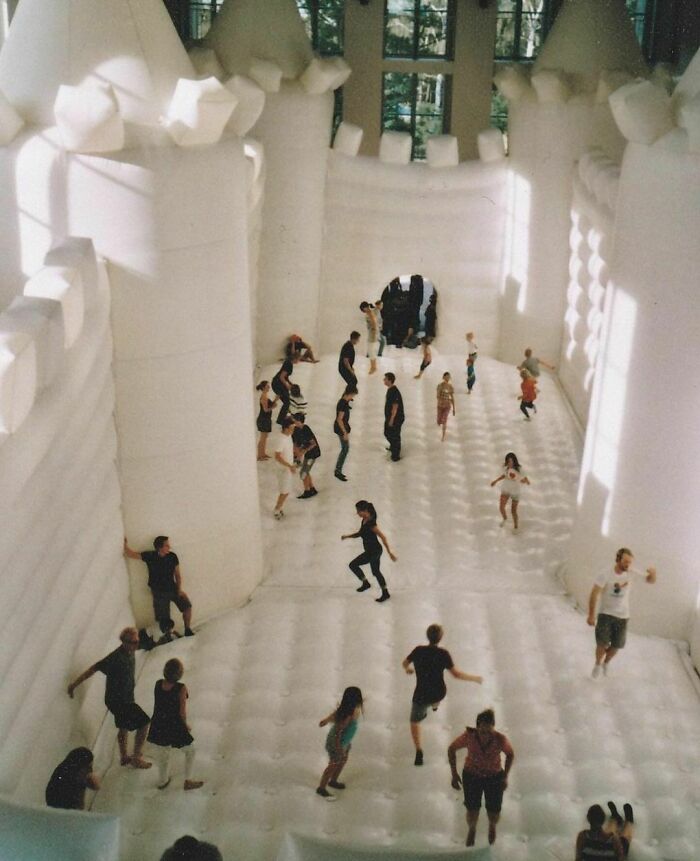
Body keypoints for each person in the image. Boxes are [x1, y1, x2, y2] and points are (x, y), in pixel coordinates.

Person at [67, 628, 152, 769]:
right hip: (119, 700)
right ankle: (137, 757)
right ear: (124, 642)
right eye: (133, 642)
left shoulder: (131, 650)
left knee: (123, 726)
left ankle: (124, 757)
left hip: (124, 697)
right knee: (144, 723)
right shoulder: (115, 658)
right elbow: (94, 668)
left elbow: (145, 645)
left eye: (137, 641)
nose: (137, 644)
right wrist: (74, 684)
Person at [403, 625, 483, 766]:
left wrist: (408, 669)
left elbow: (404, 663)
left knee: (414, 721)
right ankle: (434, 706)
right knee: (436, 700)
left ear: (427, 636)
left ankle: (419, 750)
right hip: (439, 692)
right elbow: (456, 675)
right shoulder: (443, 654)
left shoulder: (418, 650)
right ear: (440, 638)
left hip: (421, 693)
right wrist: (475, 678)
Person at [448, 708, 515, 847]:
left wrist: (505, 776)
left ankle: (492, 826)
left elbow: (510, 754)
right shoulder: (469, 736)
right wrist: (454, 774)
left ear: (493, 729)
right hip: (472, 775)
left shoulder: (500, 739)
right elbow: (452, 748)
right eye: (482, 731)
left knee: (494, 810)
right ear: (477, 727)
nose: (485, 735)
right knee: (472, 809)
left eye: (489, 732)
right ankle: (472, 829)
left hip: (494, 777)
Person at [588, 548, 657, 678]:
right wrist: (591, 615)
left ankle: (606, 663)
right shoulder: (605, 574)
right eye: (625, 561)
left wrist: (653, 573)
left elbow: (650, 580)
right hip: (606, 614)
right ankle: (597, 664)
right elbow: (594, 594)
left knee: (616, 646)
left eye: (630, 562)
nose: (628, 565)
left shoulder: (631, 573)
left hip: (623, 616)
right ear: (618, 559)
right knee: (602, 644)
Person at [148, 658, 203, 791]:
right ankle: (188, 780)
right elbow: (182, 712)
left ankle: (162, 781)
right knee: (191, 751)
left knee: (164, 754)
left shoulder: (157, 684)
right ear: (179, 673)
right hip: (174, 725)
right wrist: (185, 726)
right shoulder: (181, 688)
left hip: (158, 725)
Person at [124, 537, 194, 638]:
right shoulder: (150, 556)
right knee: (164, 619)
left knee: (187, 607)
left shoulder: (172, 556)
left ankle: (188, 629)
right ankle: (167, 637)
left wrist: (179, 590)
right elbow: (130, 554)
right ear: (159, 547)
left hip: (172, 588)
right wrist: (124, 544)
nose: (169, 547)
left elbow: (177, 575)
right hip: (159, 592)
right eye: (166, 545)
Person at [341, 500, 396, 602]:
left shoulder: (371, 524)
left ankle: (385, 593)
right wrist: (347, 536)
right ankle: (365, 583)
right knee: (353, 565)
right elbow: (360, 533)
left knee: (375, 572)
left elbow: (383, 537)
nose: (357, 513)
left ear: (365, 510)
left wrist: (390, 553)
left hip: (375, 551)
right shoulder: (364, 520)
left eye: (358, 511)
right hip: (369, 551)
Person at [316, 686, 364, 801]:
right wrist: (339, 748)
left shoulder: (351, 708)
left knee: (342, 760)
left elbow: (334, 714)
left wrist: (326, 720)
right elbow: (338, 732)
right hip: (336, 743)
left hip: (345, 742)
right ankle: (321, 788)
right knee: (333, 764)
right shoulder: (347, 714)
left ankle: (333, 781)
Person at [490, 452, 530, 531]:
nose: (509, 463)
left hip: (515, 490)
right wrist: (495, 481)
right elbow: (504, 475)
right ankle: (505, 518)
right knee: (501, 507)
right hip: (506, 488)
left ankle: (516, 527)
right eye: (508, 461)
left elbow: (526, 479)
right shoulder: (506, 468)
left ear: (514, 461)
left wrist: (525, 481)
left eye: (511, 461)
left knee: (513, 511)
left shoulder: (520, 469)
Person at [292, 412, 320, 498]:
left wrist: (303, 451)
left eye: (295, 420)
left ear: (300, 421)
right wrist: (296, 456)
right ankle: (312, 489)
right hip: (306, 453)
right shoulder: (295, 429)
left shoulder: (306, 429)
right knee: (306, 471)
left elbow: (313, 443)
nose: (294, 422)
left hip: (313, 453)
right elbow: (295, 444)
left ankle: (307, 491)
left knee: (303, 473)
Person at [273, 417, 297, 519]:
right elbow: (277, 456)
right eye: (292, 428)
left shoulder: (288, 436)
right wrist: (289, 466)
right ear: (286, 428)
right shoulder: (281, 439)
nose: (293, 430)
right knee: (285, 491)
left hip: (288, 467)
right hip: (283, 469)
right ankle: (277, 510)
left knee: (286, 490)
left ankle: (279, 506)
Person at [333, 384, 356, 482]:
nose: (353, 397)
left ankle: (338, 470)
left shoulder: (344, 401)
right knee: (345, 449)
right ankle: (338, 470)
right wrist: (344, 432)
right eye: (353, 395)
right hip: (341, 429)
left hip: (342, 428)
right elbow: (339, 419)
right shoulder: (342, 404)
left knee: (345, 449)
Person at [272, 352, 298, 426]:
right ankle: (280, 420)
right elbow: (282, 377)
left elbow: (285, 377)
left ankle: (282, 418)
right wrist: (287, 385)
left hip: (279, 383)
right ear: (295, 358)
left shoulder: (289, 363)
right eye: (298, 359)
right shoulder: (288, 364)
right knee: (287, 402)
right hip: (278, 384)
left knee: (287, 402)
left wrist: (290, 383)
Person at [383, 372, 405, 462]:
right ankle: (393, 447)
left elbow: (395, 407)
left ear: (390, 380)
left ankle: (396, 456)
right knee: (387, 432)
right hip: (391, 417)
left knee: (395, 435)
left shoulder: (394, 391)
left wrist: (392, 419)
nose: (384, 380)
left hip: (396, 418)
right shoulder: (390, 389)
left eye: (385, 379)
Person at [255, 381, 277, 461]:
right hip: (263, 419)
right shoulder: (264, 397)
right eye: (268, 386)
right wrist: (273, 407)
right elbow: (266, 410)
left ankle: (262, 454)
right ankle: (259, 456)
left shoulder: (265, 396)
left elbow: (270, 405)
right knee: (262, 438)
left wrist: (275, 400)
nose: (269, 387)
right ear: (264, 387)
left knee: (264, 438)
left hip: (266, 419)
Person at [360, 302, 378, 374]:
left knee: (371, 351)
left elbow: (374, 323)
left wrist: (373, 334)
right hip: (371, 332)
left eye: (363, 308)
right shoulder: (369, 312)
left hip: (372, 333)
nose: (363, 310)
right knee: (371, 350)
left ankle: (373, 367)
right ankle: (373, 367)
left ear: (365, 307)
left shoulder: (370, 313)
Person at [436, 372, 455, 441]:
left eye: (449, 377)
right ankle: (440, 427)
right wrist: (440, 400)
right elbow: (437, 396)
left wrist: (454, 409)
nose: (447, 378)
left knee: (444, 420)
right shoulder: (440, 386)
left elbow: (452, 398)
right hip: (440, 406)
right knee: (439, 421)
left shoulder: (450, 387)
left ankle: (443, 436)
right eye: (446, 376)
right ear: (443, 377)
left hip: (447, 405)